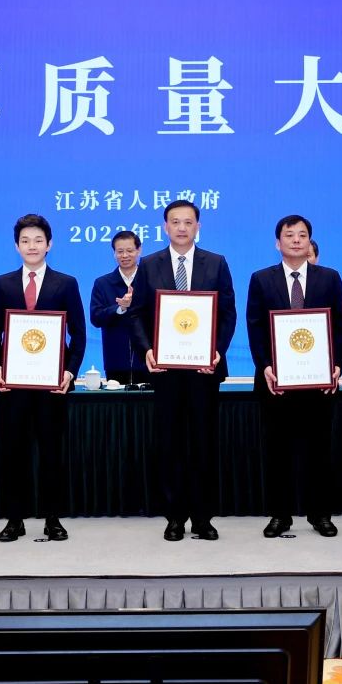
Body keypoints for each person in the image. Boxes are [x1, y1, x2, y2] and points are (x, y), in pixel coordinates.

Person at [130, 200, 236, 542]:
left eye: (188, 222)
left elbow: (228, 313)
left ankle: (203, 518)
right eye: (175, 221)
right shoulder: (149, 264)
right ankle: (174, 517)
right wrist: (147, 349)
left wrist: (217, 351)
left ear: (198, 227)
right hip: (166, 371)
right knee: (170, 444)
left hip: (205, 370)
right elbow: (136, 314)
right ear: (165, 227)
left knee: (203, 444)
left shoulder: (216, 263)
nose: (181, 227)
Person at [246, 215, 342, 538]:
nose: (296, 240)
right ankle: (280, 515)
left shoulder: (329, 278)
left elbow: (341, 325)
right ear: (277, 243)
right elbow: (255, 327)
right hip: (276, 383)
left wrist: (337, 365)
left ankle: (321, 515)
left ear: (309, 243)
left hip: (319, 383)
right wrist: (265, 366)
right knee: (277, 452)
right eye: (289, 235)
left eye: (302, 235)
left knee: (319, 451)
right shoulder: (261, 279)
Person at [0, 214, 86, 542]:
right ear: (17, 246)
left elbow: (79, 334)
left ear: (49, 244)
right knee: (13, 452)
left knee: (51, 452)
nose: (32, 246)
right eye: (25, 241)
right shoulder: (3, 283)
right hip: (13, 385)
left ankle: (52, 518)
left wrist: (69, 372)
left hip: (52, 386)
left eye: (38, 240)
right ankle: (14, 519)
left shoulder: (66, 283)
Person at [89, 230, 149, 386]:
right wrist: (119, 308)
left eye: (130, 250)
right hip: (115, 360)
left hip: (147, 359)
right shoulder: (102, 283)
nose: (125, 255)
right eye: (120, 251)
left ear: (139, 250)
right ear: (114, 253)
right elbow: (95, 318)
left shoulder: (149, 280)